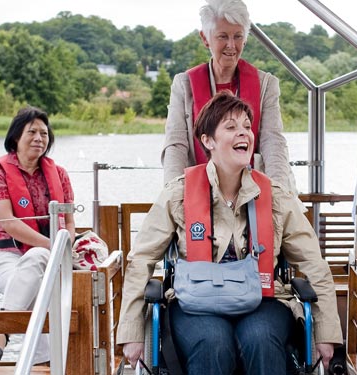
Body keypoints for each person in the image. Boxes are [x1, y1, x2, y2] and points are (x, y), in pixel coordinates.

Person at [118, 92, 341, 374]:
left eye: (247, 126)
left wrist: (326, 332)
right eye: (231, 127)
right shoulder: (178, 193)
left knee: (261, 338)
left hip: (263, 300)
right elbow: (142, 260)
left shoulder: (275, 196)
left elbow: (313, 264)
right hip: (195, 303)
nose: (243, 133)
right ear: (208, 140)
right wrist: (131, 331)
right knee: (213, 342)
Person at [161, 0, 295, 193]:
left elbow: (273, 142)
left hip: (254, 190)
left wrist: (278, 193)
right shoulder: (184, 84)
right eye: (223, 36)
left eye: (238, 36)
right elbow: (176, 145)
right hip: (198, 191)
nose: (231, 45)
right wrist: (173, 196)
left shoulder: (266, 84)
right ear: (205, 38)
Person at [0, 106, 76, 361]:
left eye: (44, 133)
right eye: (31, 132)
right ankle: (45, 365)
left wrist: (60, 248)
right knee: (36, 291)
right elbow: (8, 222)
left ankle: (1, 331)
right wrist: (51, 245)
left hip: (48, 257)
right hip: (6, 255)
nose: (39, 138)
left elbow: (71, 223)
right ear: (16, 137)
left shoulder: (60, 174)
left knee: (38, 265)